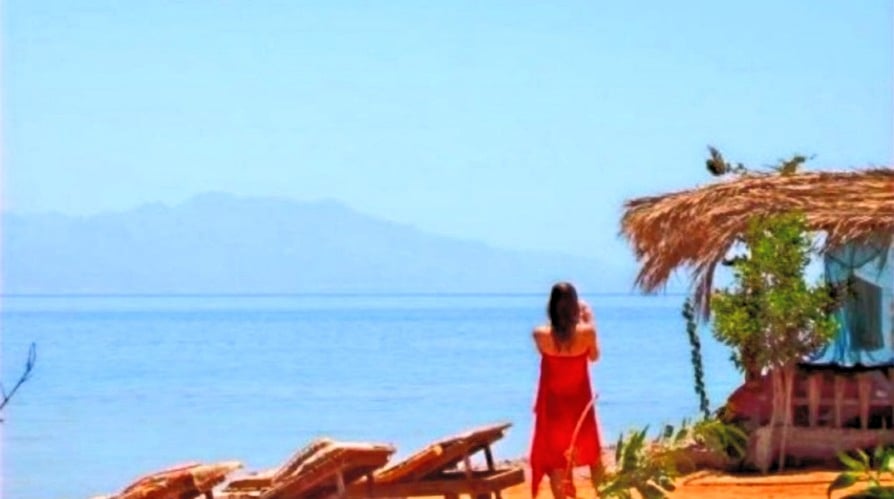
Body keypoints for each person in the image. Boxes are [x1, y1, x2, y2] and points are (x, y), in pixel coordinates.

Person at [529, 282, 603, 499]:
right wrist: (588, 319)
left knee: (557, 463)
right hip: (580, 407)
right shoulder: (587, 333)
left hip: (553, 410)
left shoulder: (539, 335)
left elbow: (553, 340)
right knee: (594, 458)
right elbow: (594, 357)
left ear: (551, 306)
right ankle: (609, 495)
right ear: (574, 307)